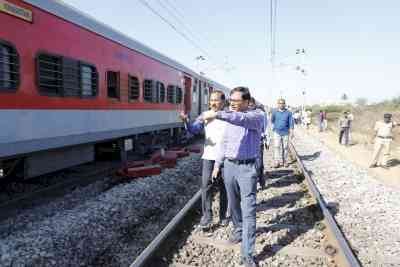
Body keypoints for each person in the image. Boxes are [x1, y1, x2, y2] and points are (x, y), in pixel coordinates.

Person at [202, 86, 263, 267]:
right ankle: (238, 229)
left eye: (236, 101)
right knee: (233, 205)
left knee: (249, 210)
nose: (232, 104)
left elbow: (240, 118)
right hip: (229, 167)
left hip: (246, 169)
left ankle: (247, 254)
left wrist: (217, 114)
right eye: (231, 101)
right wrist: (217, 165)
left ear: (247, 101)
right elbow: (224, 142)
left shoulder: (255, 116)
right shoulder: (230, 118)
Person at [179, 90, 228, 228]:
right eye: (211, 100)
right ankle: (207, 216)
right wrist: (187, 122)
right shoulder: (205, 115)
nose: (212, 102)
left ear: (223, 102)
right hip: (209, 156)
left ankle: (223, 216)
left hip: (226, 158)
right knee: (206, 186)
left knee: (224, 187)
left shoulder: (229, 116)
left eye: (216, 100)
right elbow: (194, 129)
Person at [249, 97, 267, 189]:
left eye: (252, 104)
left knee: (259, 164)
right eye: (249, 104)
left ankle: (261, 180)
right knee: (251, 165)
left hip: (258, 141)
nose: (250, 106)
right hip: (248, 143)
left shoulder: (261, 114)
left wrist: (266, 138)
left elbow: (265, 127)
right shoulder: (243, 114)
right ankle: (253, 184)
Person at [271, 98, 294, 168]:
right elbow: (272, 120)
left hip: (286, 132)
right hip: (277, 132)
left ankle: (285, 161)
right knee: (276, 147)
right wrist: (274, 128)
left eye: (282, 103)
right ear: (278, 104)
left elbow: (291, 123)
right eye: (280, 103)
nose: (281, 104)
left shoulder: (288, 113)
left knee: (285, 147)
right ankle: (276, 162)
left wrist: (292, 132)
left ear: (285, 104)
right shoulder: (274, 112)